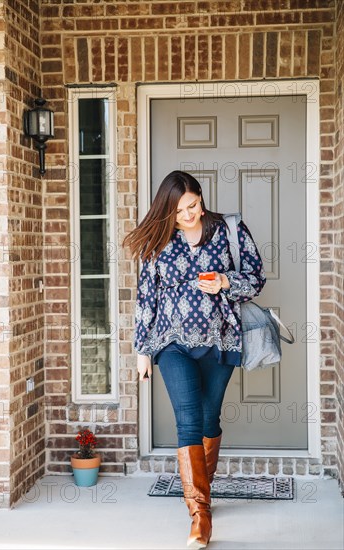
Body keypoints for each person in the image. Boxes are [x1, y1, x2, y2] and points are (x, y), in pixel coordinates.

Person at [122, 170, 266, 548]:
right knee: (187, 419)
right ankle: (199, 515)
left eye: (193, 205)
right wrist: (141, 351)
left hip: (221, 341)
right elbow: (146, 300)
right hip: (172, 345)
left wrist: (224, 282)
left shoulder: (229, 230)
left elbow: (256, 278)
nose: (188, 215)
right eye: (179, 210)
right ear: (166, 211)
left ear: (201, 198)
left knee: (208, 419)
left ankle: (203, 489)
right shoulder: (157, 241)